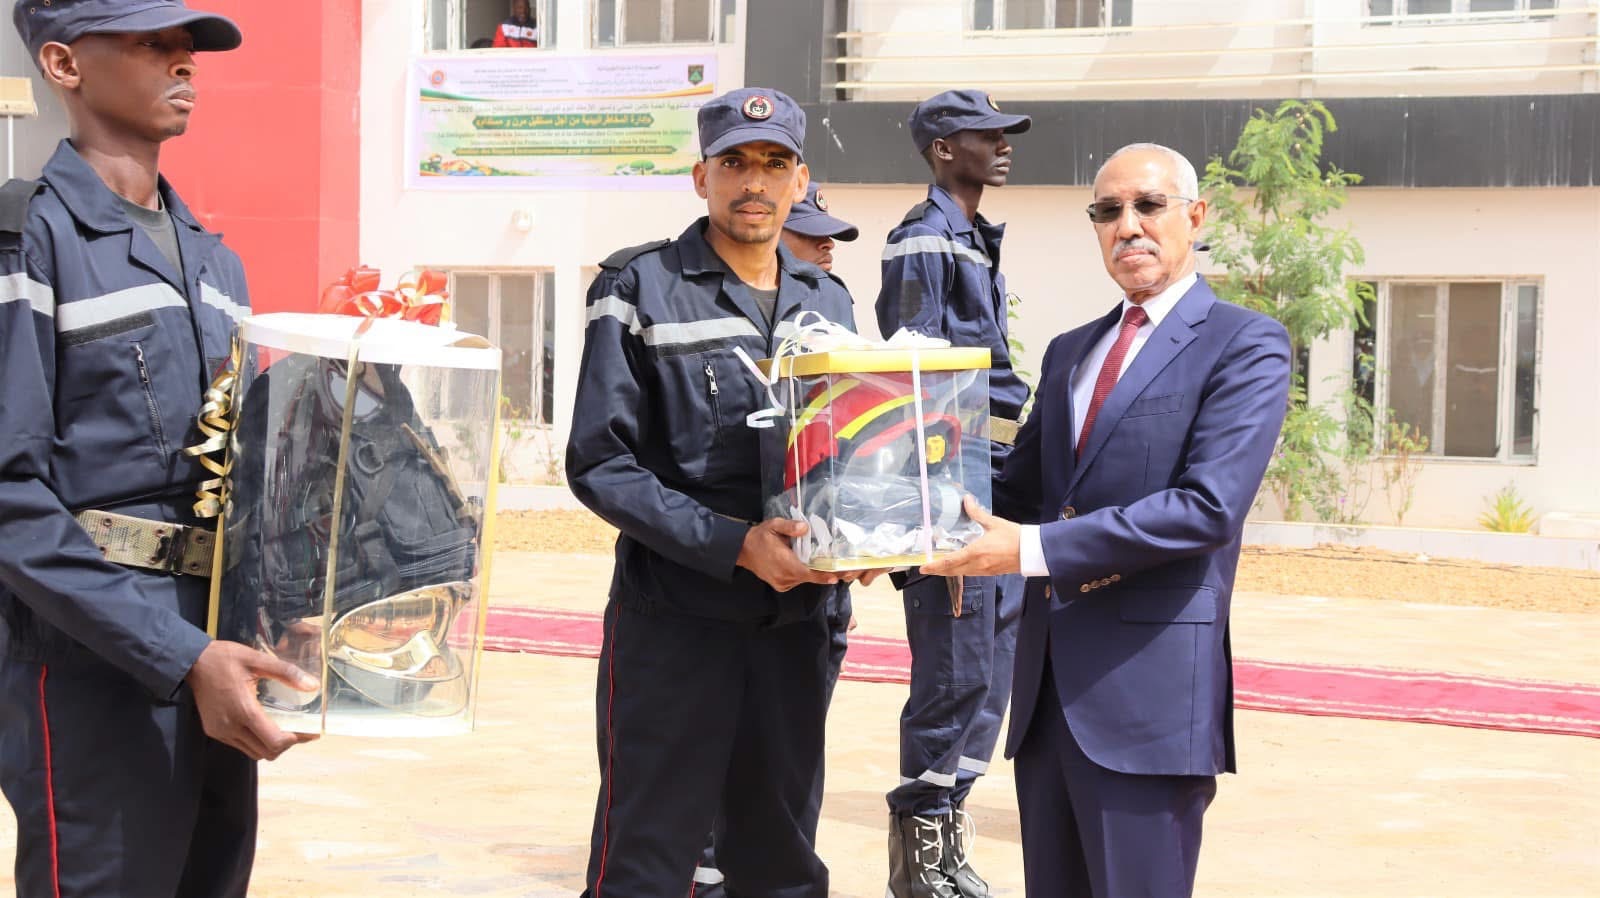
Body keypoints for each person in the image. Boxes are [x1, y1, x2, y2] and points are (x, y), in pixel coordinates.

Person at [0, 2, 320, 896]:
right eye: (152, 45)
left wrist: (286, 607)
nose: (184, 64)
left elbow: (238, 476)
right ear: (64, 65)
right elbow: (9, 495)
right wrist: (177, 657)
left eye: (188, 49)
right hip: (92, 655)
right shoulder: (28, 241)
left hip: (218, 644)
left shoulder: (216, 264)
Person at [922, 143, 1292, 897]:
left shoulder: (1244, 343)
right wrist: (887, 508)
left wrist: (1030, 551)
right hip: (1046, 700)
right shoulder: (1071, 351)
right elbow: (1018, 491)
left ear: (1195, 216)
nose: (1128, 226)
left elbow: (1207, 509)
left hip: (1148, 704)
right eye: (1108, 211)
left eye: (1148, 206)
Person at [567, 87, 876, 898]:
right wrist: (736, 544)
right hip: (678, 625)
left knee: (782, 862)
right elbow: (600, 463)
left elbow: (848, 451)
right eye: (734, 162)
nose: (755, 181)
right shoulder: (638, 286)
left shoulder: (829, 300)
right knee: (646, 863)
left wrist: (873, 537)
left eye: (775, 163)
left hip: (797, 627)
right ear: (701, 176)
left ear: (800, 180)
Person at [871, 88, 1030, 898]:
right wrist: (932, 511)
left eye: (1005, 135)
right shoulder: (923, 238)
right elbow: (914, 377)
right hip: (956, 483)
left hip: (997, 480)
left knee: (990, 676)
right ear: (942, 149)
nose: (1003, 146)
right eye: (985, 135)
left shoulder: (972, 237)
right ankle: (919, 860)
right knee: (955, 672)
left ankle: (949, 836)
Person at [689, 179, 864, 897]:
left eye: (831, 238)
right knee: (698, 795)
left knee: (784, 796)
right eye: (811, 234)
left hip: (812, 601)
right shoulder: (672, 294)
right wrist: (734, 544)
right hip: (702, 601)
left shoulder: (832, 306)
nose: (825, 248)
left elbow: (855, 436)